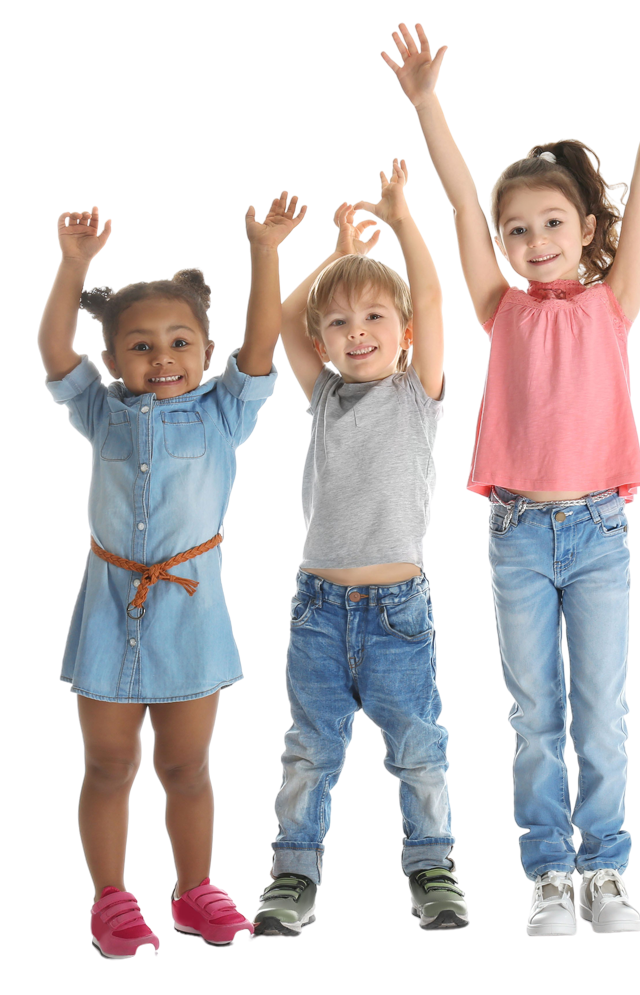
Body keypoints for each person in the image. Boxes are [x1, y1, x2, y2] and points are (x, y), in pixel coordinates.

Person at [382, 13, 640, 936]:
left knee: (601, 710)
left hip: (601, 530)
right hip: (521, 533)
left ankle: (605, 867)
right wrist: (428, 105)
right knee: (535, 712)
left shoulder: (616, 303)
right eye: (517, 229)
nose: (534, 241)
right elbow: (456, 204)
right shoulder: (501, 309)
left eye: (553, 224)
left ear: (585, 228)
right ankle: (547, 871)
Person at [40, 192, 306, 958]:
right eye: (140, 346)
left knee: (186, 764)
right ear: (113, 359)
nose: (162, 359)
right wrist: (73, 266)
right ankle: (110, 900)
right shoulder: (101, 411)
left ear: (205, 346)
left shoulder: (224, 413)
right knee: (109, 762)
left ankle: (194, 889)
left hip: (190, 617)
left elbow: (261, 344)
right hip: (107, 609)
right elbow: (53, 349)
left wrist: (264, 250)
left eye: (180, 342)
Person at [254, 160, 469, 936]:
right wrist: (338, 249)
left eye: (375, 318)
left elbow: (436, 295)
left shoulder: (419, 393)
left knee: (418, 747)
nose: (358, 334)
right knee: (309, 751)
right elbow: (283, 319)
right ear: (326, 341)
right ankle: (293, 875)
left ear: (404, 334)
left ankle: (434, 867)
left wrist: (401, 219)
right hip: (317, 610)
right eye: (341, 324)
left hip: (398, 614)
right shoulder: (324, 396)